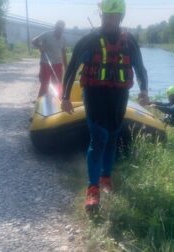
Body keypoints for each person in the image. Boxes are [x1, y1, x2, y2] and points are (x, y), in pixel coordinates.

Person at [61, 0, 149, 211]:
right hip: (94, 95)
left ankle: (106, 177)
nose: (109, 20)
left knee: (112, 137)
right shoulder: (89, 40)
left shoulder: (129, 41)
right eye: (106, 16)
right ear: (101, 16)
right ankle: (92, 189)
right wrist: (65, 96)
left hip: (119, 96)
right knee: (99, 138)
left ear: (120, 17)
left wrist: (144, 90)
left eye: (114, 16)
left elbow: (140, 67)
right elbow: (72, 67)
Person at [32, 20, 67, 97]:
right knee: (45, 84)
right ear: (55, 27)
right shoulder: (47, 34)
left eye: (61, 29)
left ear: (63, 29)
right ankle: (40, 102)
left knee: (57, 84)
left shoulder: (63, 39)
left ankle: (56, 102)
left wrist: (66, 66)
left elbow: (64, 53)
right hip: (46, 63)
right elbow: (34, 41)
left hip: (58, 64)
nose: (59, 30)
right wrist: (40, 46)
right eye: (58, 28)